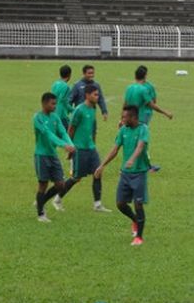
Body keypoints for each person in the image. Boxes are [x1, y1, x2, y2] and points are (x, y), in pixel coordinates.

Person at [95, 105, 151, 246]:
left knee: (138, 204)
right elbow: (114, 150)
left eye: (124, 117)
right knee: (120, 204)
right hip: (126, 173)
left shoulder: (143, 129)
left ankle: (139, 237)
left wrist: (132, 159)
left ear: (133, 117)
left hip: (139, 173)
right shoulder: (123, 130)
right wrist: (102, 165)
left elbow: (140, 146)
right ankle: (134, 220)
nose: (122, 119)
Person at [55, 85, 111, 212]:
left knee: (98, 172)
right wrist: (69, 147)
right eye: (95, 95)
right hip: (79, 149)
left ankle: (97, 204)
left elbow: (92, 129)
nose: (98, 97)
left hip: (91, 148)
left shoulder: (93, 109)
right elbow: (71, 129)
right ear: (87, 95)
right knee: (76, 177)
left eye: (98, 95)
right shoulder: (79, 110)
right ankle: (57, 198)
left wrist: (94, 143)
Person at [33, 92, 76, 223]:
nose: (55, 106)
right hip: (41, 155)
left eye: (55, 103)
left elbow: (63, 132)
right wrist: (64, 145)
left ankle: (41, 201)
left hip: (53, 155)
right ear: (44, 103)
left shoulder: (55, 117)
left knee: (60, 185)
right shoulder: (38, 118)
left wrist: (70, 144)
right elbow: (48, 134)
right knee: (43, 184)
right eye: (52, 104)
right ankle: (41, 214)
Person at [125, 65, 171, 172]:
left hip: (129, 118)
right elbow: (152, 104)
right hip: (141, 118)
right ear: (145, 76)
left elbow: (125, 104)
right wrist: (166, 113)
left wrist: (122, 119)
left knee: (130, 141)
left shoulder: (129, 88)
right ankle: (146, 166)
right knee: (142, 142)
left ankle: (132, 163)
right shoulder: (144, 89)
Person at [51, 65, 73, 130]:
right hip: (61, 116)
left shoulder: (55, 84)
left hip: (53, 114)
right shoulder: (66, 87)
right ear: (69, 75)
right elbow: (63, 102)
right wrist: (73, 110)